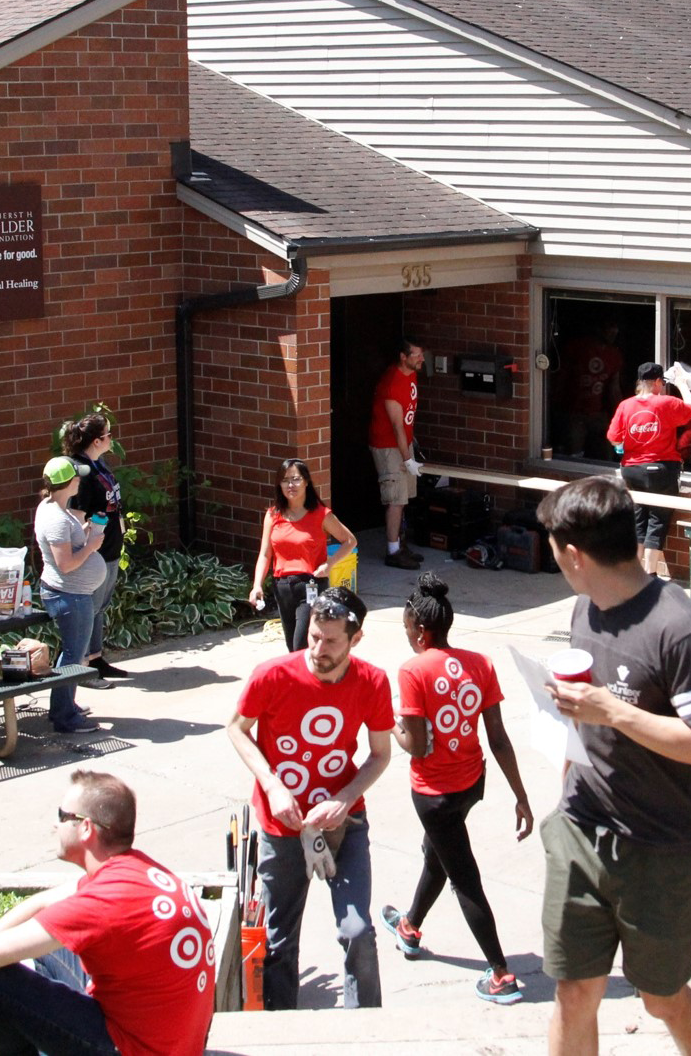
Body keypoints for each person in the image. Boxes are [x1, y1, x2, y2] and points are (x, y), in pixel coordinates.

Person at [535, 476, 691, 1056]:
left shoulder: (680, 629)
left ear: (575, 555)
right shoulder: (585, 609)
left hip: (661, 847)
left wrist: (613, 713)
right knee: (574, 991)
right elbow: (590, 718)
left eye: (555, 553)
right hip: (580, 828)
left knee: (661, 996)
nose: (557, 564)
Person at [0, 770, 214, 1056]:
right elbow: (44, 904)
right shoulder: (136, 871)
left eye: (62, 815)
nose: (54, 825)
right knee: (40, 945)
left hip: (132, 1049)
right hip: (171, 1041)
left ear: (86, 828)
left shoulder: (103, 902)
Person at [227, 586, 393, 1009]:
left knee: (358, 932)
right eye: (314, 637)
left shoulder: (372, 681)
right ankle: (285, 1028)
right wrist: (272, 783)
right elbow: (237, 729)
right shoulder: (272, 674)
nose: (318, 649)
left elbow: (379, 755)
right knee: (278, 940)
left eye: (331, 641)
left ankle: (368, 1030)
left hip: (344, 823)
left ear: (355, 640)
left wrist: (345, 797)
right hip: (281, 825)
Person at [379, 572, 534, 1005]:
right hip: (472, 783)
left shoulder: (413, 670)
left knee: (463, 875)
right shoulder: (480, 663)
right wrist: (521, 796)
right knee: (438, 854)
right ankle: (409, 927)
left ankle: (501, 973)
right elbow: (498, 737)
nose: (407, 635)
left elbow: (417, 744)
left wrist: (388, 722)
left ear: (422, 630)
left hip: (433, 794)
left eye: (408, 628)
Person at [248, 458, 359, 652]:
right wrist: (257, 585)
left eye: (296, 479)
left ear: (306, 482)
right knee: (292, 647)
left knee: (301, 644)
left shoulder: (321, 514)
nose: (290, 485)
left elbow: (350, 541)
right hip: (282, 587)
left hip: (311, 585)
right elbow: (265, 554)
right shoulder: (273, 515)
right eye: (285, 480)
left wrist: (330, 564)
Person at [605, 362, 691, 579]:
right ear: (658, 382)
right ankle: (651, 575)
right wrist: (683, 385)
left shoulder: (626, 405)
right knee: (658, 520)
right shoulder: (666, 403)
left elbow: (614, 438)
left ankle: (633, 573)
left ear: (640, 382)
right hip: (661, 470)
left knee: (639, 519)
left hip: (632, 470)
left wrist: (629, 444)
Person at [35, 456, 106, 734]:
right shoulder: (56, 519)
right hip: (68, 595)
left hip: (72, 593)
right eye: (77, 476)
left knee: (72, 653)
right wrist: (90, 546)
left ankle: (65, 705)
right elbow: (65, 566)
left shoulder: (53, 507)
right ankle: (64, 717)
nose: (80, 480)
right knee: (73, 655)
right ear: (68, 482)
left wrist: (86, 533)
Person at [63, 414, 130, 682]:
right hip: (94, 552)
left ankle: (96, 658)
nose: (112, 438)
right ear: (97, 440)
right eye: (108, 434)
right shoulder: (82, 472)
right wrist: (87, 545)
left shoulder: (98, 464)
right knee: (88, 608)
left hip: (111, 545)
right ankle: (82, 668)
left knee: (99, 607)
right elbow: (77, 516)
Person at [369, 338, 427, 570]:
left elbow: (406, 420)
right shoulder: (392, 384)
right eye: (417, 355)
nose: (422, 359)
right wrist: (407, 459)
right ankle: (393, 551)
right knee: (395, 499)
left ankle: (400, 545)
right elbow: (396, 426)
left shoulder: (410, 374)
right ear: (404, 357)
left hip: (402, 444)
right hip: (388, 447)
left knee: (404, 498)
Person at [559, 322, 626, 459]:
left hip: (598, 413)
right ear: (599, 328)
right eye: (610, 327)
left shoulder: (613, 354)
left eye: (615, 328)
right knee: (574, 456)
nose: (614, 331)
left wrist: (621, 417)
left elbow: (614, 388)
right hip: (574, 412)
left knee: (606, 454)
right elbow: (561, 377)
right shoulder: (577, 347)